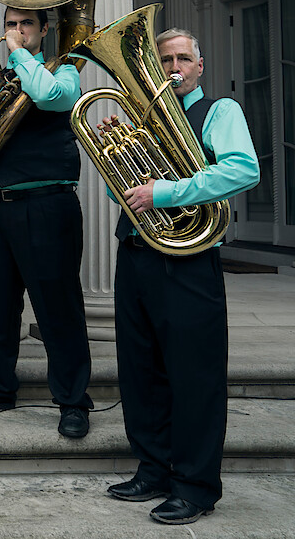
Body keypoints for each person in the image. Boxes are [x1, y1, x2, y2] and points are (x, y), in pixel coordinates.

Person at [103, 28, 259, 526]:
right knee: (140, 370)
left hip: (188, 259)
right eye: (165, 59)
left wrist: (162, 193)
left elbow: (243, 170)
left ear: (199, 65)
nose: (173, 67)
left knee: (195, 376)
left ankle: (195, 486)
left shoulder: (221, 111)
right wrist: (118, 159)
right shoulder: (142, 120)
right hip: (136, 254)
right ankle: (153, 469)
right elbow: (123, 194)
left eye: (182, 59)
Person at [0, 6, 94, 439]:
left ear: (44, 29)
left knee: (58, 309)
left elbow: (50, 97)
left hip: (47, 205)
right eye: (10, 25)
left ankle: (72, 400)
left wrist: (20, 56)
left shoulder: (65, 71)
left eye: (25, 24)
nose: (16, 32)